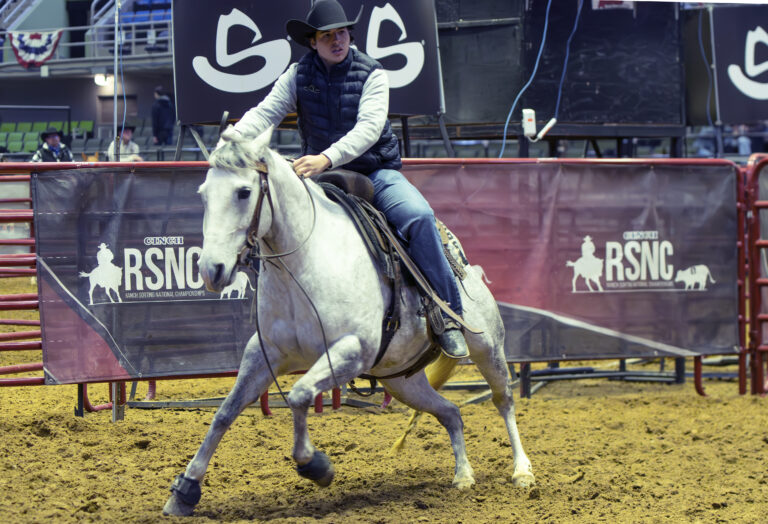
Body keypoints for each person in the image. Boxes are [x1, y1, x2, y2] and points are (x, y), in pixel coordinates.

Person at [225, 0, 469, 358]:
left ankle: (447, 315)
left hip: (375, 170)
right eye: (327, 36)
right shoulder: (298, 75)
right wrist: (230, 141)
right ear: (313, 42)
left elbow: (369, 129)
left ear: (349, 35)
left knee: (418, 217)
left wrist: (325, 158)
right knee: (282, 224)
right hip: (323, 176)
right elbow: (267, 112)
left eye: (341, 33)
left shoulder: (373, 74)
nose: (337, 41)